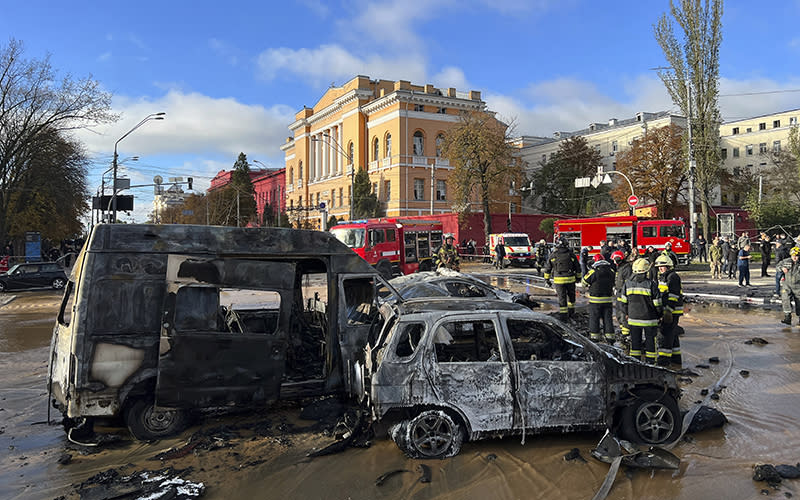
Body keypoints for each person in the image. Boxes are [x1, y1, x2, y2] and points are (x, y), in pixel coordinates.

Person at [619, 258, 662, 364]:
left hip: (633, 319)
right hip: (649, 319)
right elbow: (657, 303)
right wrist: (660, 315)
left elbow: (623, 302)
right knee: (650, 342)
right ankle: (651, 363)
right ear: (646, 271)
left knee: (635, 343)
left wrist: (627, 314)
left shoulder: (627, 284)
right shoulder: (651, 284)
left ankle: (635, 363)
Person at [655, 254, 684, 366]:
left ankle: (664, 361)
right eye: (659, 267)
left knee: (665, 335)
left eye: (663, 266)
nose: (660, 269)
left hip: (672, 311)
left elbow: (673, 295)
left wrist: (668, 310)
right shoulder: (664, 276)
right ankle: (676, 360)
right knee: (673, 334)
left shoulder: (673, 277)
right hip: (670, 310)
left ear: (669, 266)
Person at [544, 237, 581, 321]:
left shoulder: (553, 255)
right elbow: (578, 267)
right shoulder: (571, 255)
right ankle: (571, 313)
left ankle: (563, 316)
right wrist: (578, 278)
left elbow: (548, 269)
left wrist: (547, 280)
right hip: (570, 279)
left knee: (562, 298)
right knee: (571, 296)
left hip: (558, 280)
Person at [582, 254, 616, 343]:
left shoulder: (593, 271)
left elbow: (584, 282)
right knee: (608, 319)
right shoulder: (611, 271)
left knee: (594, 318)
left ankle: (595, 337)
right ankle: (610, 338)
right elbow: (614, 282)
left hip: (595, 300)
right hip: (608, 299)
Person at [612, 250, 632, 344]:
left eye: (614, 260)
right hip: (619, 293)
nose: (613, 262)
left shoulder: (626, 269)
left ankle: (626, 334)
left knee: (624, 315)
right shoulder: (620, 268)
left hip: (623, 295)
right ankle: (623, 331)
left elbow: (627, 283)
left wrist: (622, 292)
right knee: (619, 314)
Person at [779, 247, 800, 325]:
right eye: (793, 255)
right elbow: (778, 266)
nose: (794, 257)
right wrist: (782, 268)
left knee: (799, 302)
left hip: (798, 286)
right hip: (787, 284)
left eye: (796, 255)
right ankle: (787, 317)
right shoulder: (786, 261)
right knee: (785, 299)